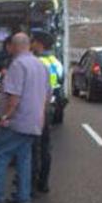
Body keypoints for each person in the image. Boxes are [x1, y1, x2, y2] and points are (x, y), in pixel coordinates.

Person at [0, 32, 51, 203]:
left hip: (18, 121)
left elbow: (14, 96)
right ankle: (23, 196)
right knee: (24, 156)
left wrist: (6, 116)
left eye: (9, 45)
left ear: (15, 46)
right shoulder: (40, 65)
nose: (7, 48)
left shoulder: (17, 65)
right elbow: (47, 96)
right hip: (35, 121)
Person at [30, 30, 63, 193]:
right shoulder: (55, 62)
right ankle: (44, 183)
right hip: (49, 107)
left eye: (33, 41)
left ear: (39, 44)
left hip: (36, 108)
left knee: (33, 147)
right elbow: (60, 81)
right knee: (45, 147)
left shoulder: (35, 63)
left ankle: (32, 183)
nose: (31, 44)